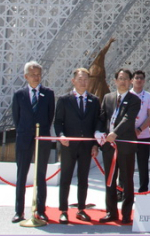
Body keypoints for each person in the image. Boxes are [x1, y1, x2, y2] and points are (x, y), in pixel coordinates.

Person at [54, 68, 100, 224]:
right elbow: (58, 122)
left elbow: (96, 124)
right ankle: (63, 210)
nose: (83, 82)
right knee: (66, 178)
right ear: (73, 81)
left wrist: (95, 144)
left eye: (86, 79)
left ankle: (81, 209)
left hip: (86, 146)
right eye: (80, 79)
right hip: (69, 145)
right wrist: (61, 136)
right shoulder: (64, 100)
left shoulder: (94, 101)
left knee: (83, 179)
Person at [95, 68, 141, 224]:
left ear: (130, 81)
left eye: (126, 79)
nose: (123, 81)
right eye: (120, 78)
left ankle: (127, 213)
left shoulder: (134, 99)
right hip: (109, 146)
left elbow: (128, 119)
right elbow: (102, 117)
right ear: (115, 81)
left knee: (127, 180)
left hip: (125, 146)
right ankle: (111, 212)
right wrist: (98, 132)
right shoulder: (108, 98)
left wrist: (114, 133)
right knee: (109, 180)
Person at [12, 61, 55, 223]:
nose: (36, 78)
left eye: (38, 74)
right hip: (24, 138)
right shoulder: (19, 95)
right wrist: (25, 131)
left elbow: (50, 116)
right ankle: (19, 211)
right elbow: (17, 118)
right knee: (21, 175)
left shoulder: (48, 94)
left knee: (41, 175)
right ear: (26, 76)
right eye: (32, 75)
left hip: (42, 138)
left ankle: (41, 210)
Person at [129, 70, 150, 193]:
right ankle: (123, 190)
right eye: (136, 78)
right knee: (126, 164)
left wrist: (139, 129)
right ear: (132, 80)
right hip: (128, 136)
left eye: (141, 78)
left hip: (143, 136)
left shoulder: (149, 96)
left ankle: (143, 190)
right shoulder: (127, 95)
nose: (139, 80)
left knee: (143, 164)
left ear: (144, 81)